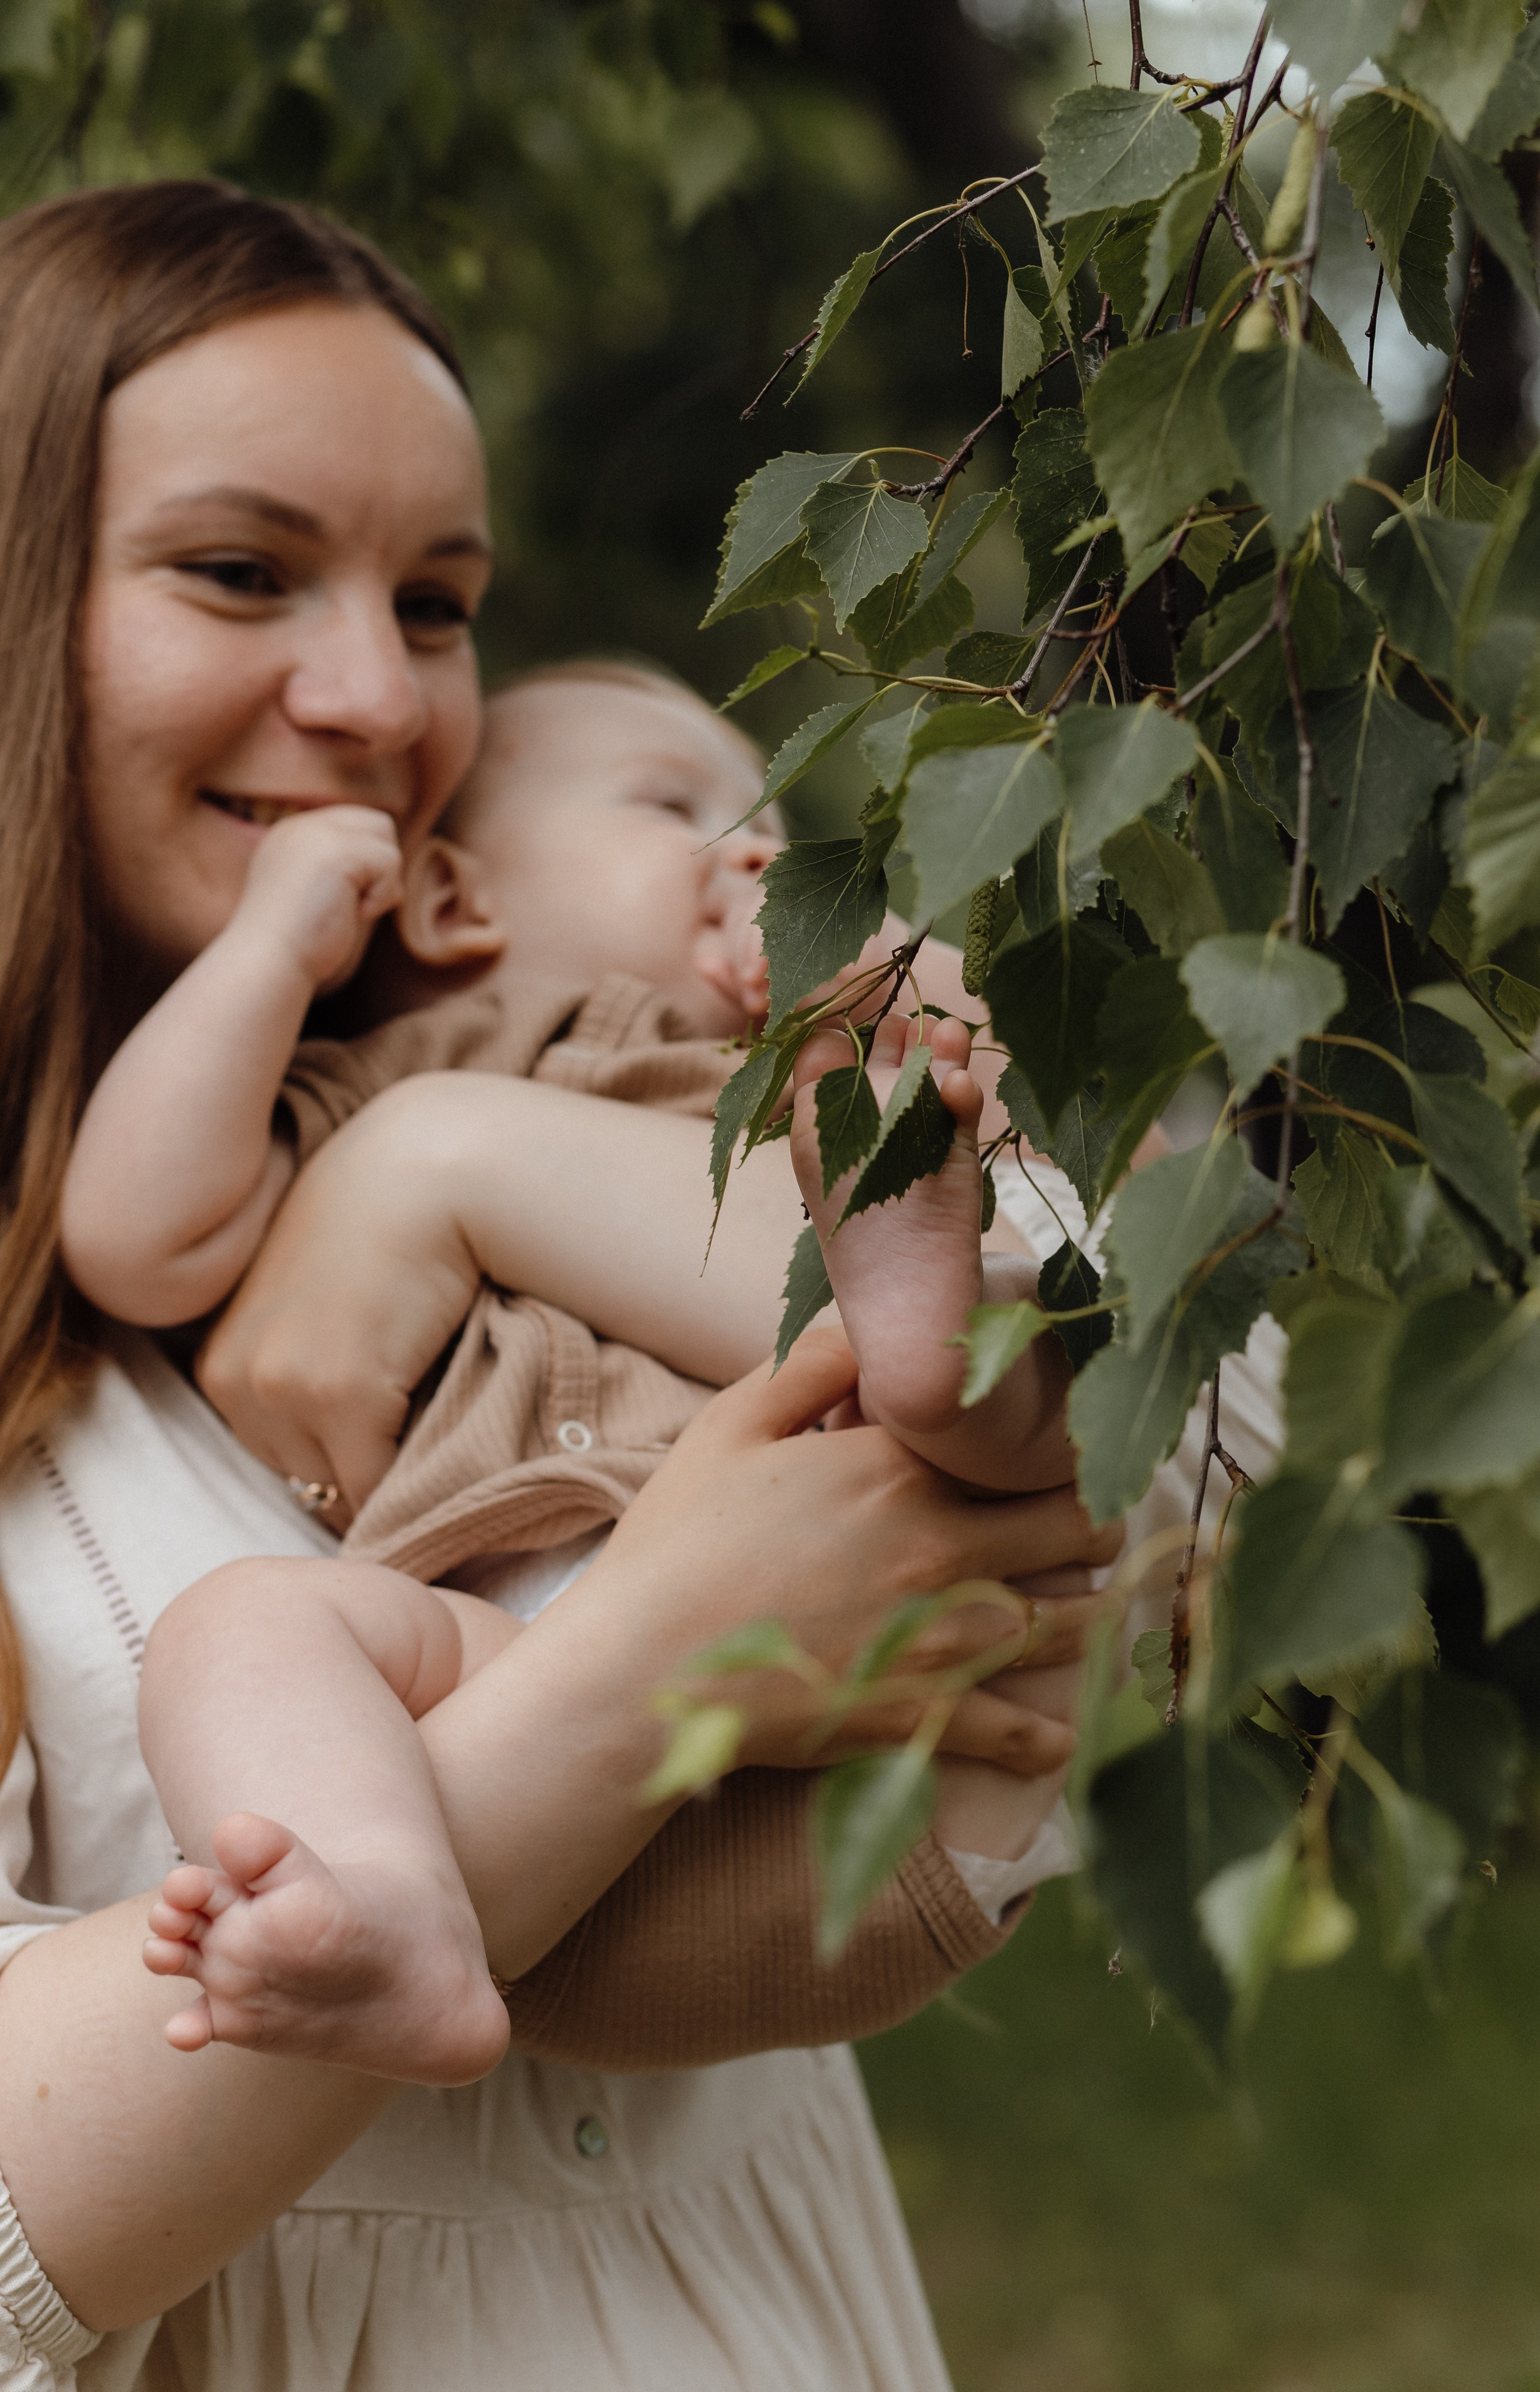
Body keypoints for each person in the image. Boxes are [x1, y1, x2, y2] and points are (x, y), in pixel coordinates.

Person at [0, 179, 1122, 2392]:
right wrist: (648, 1664)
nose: (372, 697)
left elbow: (1170, 1415)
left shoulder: (495, 1092)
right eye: (241, 570)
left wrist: (452, 1158)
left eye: (436, 603)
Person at [57, 638, 1088, 2081]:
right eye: (683, 812)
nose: (758, 859)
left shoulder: (798, 1069)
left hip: (915, 1715)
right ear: (450, 900)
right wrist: (273, 944)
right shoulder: (383, 1083)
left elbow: (1082, 1168)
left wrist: (888, 984)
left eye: (782, 834)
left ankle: (918, 1350)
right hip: (539, 1764)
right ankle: (383, 1904)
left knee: (1026, 1310)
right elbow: (129, 1236)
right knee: (235, 1629)